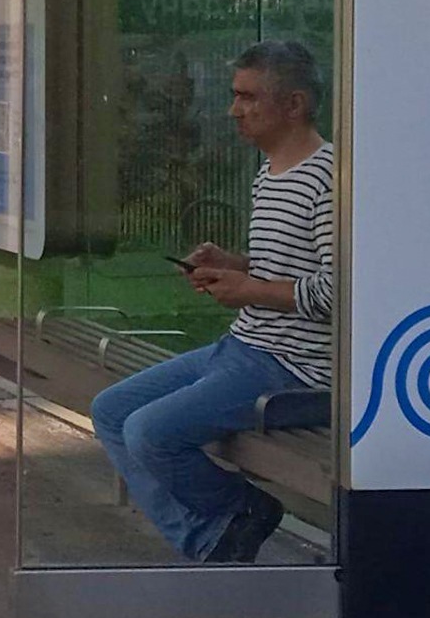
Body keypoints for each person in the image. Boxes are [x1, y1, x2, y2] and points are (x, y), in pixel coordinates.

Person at [91, 40, 335, 564]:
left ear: (294, 104)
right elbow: (288, 266)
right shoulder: (271, 171)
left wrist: (247, 290)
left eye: (248, 97)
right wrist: (234, 264)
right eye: (234, 95)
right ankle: (213, 535)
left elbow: (337, 291)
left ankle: (235, 515)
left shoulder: (328, 180)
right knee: (111, 410)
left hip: (291, 368)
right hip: (243, 346)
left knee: (148, 432)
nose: (233, 111)